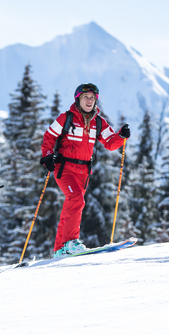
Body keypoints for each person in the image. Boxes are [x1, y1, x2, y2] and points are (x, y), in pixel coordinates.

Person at [40, 83, 131, 256]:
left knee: (71, 205)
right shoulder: (66, 118)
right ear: (78, 99)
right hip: (64, 168)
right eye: (85, 97)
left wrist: (121, 136)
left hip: (83, 172)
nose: (89, 100)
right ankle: (71, 242)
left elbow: (110, 143)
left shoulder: (98, 121)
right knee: (76, 199)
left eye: (92, 98)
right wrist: (47, 157)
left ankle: (60, 249)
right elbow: (49, 136)